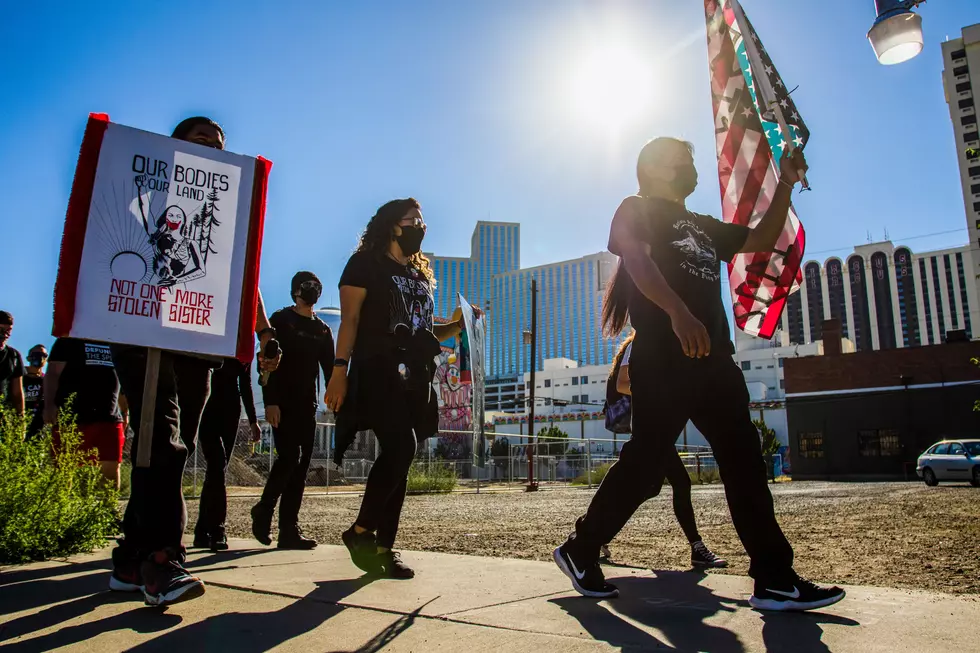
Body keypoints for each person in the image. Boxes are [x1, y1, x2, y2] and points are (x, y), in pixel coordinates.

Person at [554, 137, 845, 612]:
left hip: (716, 361)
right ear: (656, 168)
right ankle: (580, 549)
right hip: (666, 356)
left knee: (744, 460)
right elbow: (639, 262)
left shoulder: (704, 226)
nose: (692, 166)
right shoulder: (635, 208)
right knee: (647, 464)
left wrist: (787, 185)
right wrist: (677, 312)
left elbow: (759, 239)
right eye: (683, 159)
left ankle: (774, 578)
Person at [108, 116, 280, 608]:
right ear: (173, 146)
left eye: (219, 142)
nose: (211, 146)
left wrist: (264, 331)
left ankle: (129, 556)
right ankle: (162, 561)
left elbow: (243, 273)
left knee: (162, 444)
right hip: (143, 335)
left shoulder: (225, 208)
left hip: (197, 342)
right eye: (200, 139)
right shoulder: (143, 192)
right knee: (163, 440)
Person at [326, 198, 475, 579]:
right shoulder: (364, 264)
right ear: (394, 225)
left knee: (401, 460)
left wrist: (459, 325)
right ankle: (360, 531)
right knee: (401, 446)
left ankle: (383, 549)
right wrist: (338, 370)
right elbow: (350, 320)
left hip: (418, 375)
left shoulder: (420, 276)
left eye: (422, 222)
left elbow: (425, 329)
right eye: (413, 221)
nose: (420, 228)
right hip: (378, 368)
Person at [598, 335, 726, 568]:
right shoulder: (639, 343)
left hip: (656, 426)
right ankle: (696, 547)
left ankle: (595, 534)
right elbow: (622, 384)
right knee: (680, 482)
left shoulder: (655, 345)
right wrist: (660, 393)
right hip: (649, 427)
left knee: (651, 488)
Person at [251, 272, 334, 550]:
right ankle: (264, 510)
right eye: (306, 286)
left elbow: (331, 369)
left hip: (307, 407)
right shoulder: (280, 320)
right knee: (289, 458)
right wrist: (270, 400)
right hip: (281, 405)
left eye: (316, 287)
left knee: (300, 468)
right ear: (295, 290)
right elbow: (266, 361)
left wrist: (338, 398)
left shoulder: (323, 330)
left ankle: (289, 529)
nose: (312, 291)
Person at [193, 357, 260, 552]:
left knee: (217, 471)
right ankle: (217, 530)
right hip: (206, 408)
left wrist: (253, 420)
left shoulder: (241, 349)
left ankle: (201, 530)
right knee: (217, 465)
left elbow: (245, 383)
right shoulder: (211, 341)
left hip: (230, 411)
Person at [43, 338, 128, 487]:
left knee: (111, 468)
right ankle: (62, 509)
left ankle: (107, 509)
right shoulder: (67, 340)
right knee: (64, 469)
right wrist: (49, 404)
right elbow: (53, 374)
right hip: (72, 417)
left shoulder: (115, 340)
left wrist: (125, 412)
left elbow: (120, 379)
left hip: (109, 417)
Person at [0, 311, 25, 416]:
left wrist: (21, 418)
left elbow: (17, 392)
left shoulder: (13, 355)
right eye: (1, 329)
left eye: (8, 330)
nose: (5, 334)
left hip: (3, 416)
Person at [23, 344, 47, 438]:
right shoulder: (19, 377)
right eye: (36, 354)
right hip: (20, 422)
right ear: (29, 358)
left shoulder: (47, 380)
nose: (40, 357)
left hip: (40, 427)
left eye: (43, 355)